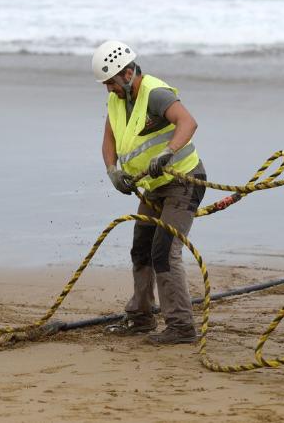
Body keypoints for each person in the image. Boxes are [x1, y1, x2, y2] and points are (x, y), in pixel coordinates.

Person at [93, 40, 206, 345]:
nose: (109, 90)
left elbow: (188, 122)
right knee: (141, 248)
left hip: (184, 182)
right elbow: (109, 141)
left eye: (111, 83)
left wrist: (168, 152)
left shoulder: (155, 93)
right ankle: (141, 317)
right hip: (153, 189)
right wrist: (112, 171)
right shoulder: (117, 102)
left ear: (127, 74)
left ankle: (181, 326)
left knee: (164, 251)